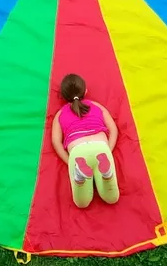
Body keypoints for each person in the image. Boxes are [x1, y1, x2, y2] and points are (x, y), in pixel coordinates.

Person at [50, 73, 120, 209]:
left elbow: (56, 142)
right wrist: (108, 151)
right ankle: (106, 174)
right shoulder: (96, 106)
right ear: (85, 91)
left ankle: (80, 178)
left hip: (78, 151)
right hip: (101, 148)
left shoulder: (60, 114)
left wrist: (69, 160)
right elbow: (113, 129)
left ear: (63, 96)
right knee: (112, 198)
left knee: (82, 203)